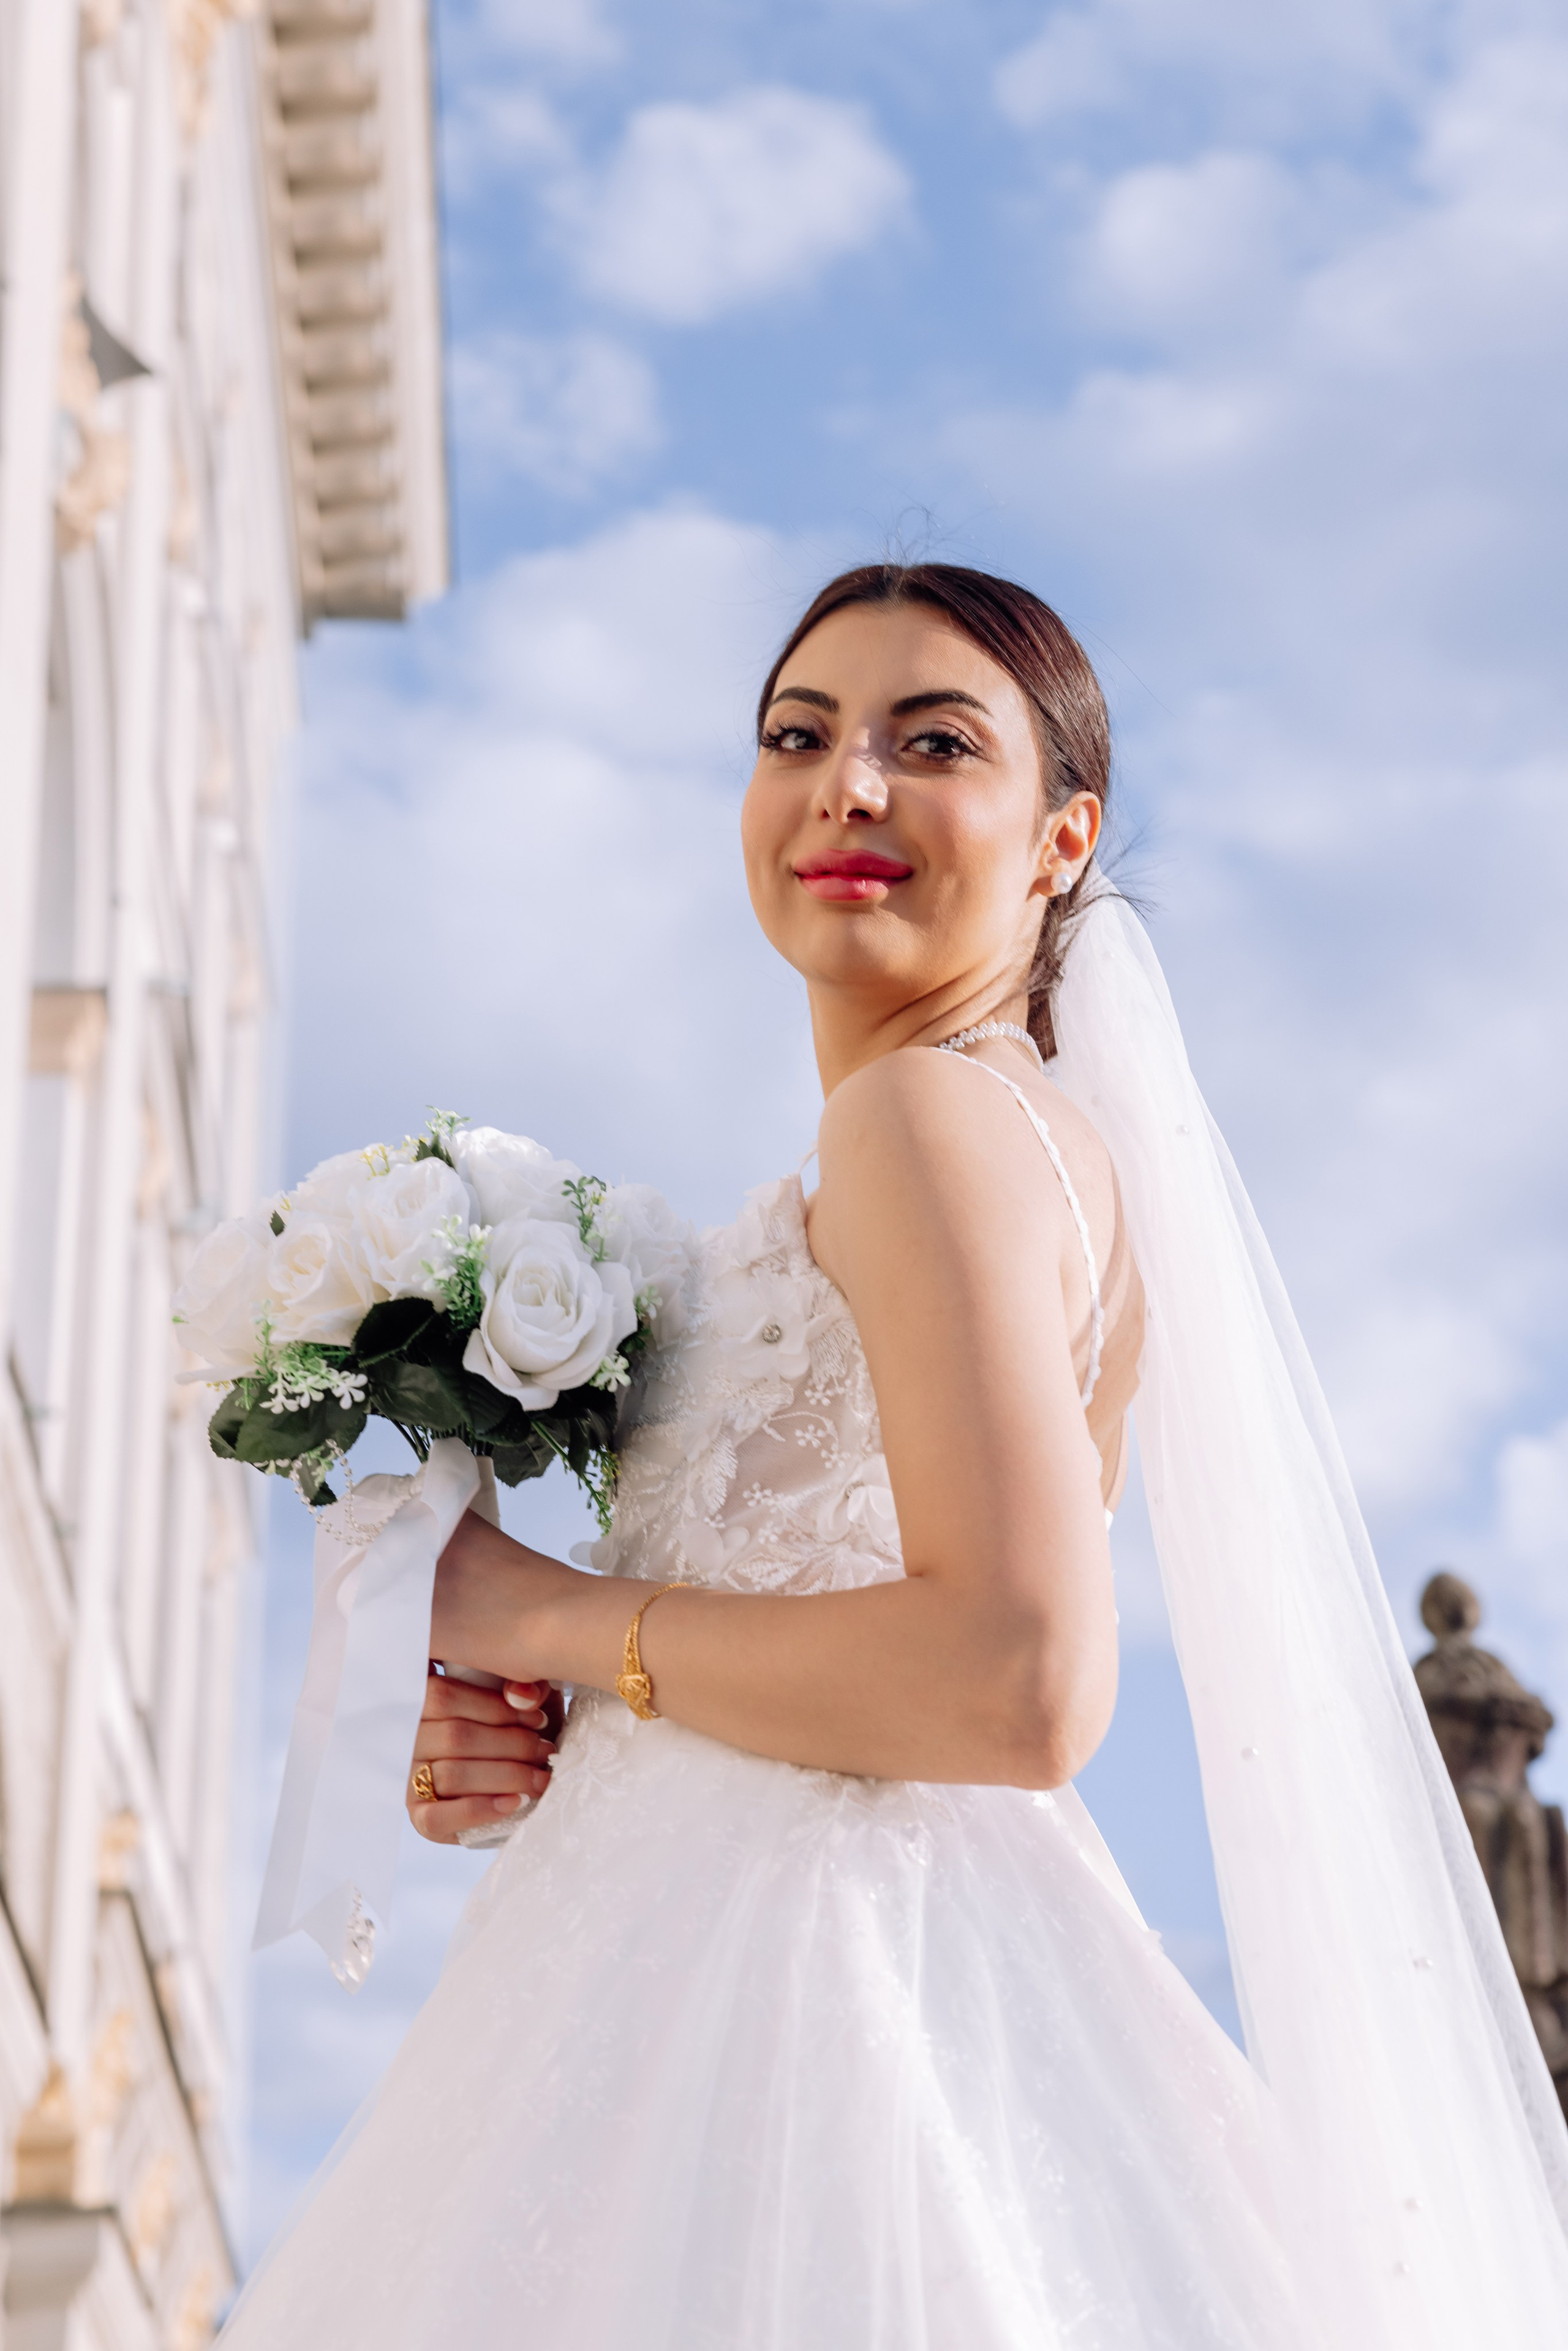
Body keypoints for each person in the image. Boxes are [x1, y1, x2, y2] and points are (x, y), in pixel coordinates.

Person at [222, 566, 1568, 2347]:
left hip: (814, 2017)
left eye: (933, 744)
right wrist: (557, 1737)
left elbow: (1015, 1682)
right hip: (735, 1982)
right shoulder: (991, 1140)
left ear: (1059, 840)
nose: (849, 783)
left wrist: (546, 1618)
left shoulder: (932, 1119)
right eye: (800, 736)